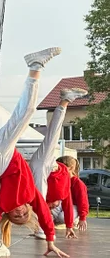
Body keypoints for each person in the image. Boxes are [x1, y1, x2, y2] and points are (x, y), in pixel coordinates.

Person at [0, 48, 69, 258]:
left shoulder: (3, 205)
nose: (19, 212)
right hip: (5, 156)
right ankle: (36, 69)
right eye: (23, 215)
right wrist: (50, 240)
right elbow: (46, 216)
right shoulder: (31, 196)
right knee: (27, 115)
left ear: (8, 215)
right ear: (29, 210)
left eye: (15, 216)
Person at [29, 89, 87, 240]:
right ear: (68, 168)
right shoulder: (59, 176)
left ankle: (42, 228)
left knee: (40, 199)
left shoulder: (65, 185)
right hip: (45, 164)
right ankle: (64, 102)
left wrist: (69, 226)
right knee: (52, 135)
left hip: (43, 168)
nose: (55, 206)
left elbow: (67, 204)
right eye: (71, 169)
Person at [62, 156, 89, 233]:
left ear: (70, 168)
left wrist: (82, 218)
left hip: (73, 206)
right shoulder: (59, 180)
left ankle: (75, 219)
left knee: (62, 217)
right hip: (61, 205)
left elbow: (83, 202)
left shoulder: (79, 184)